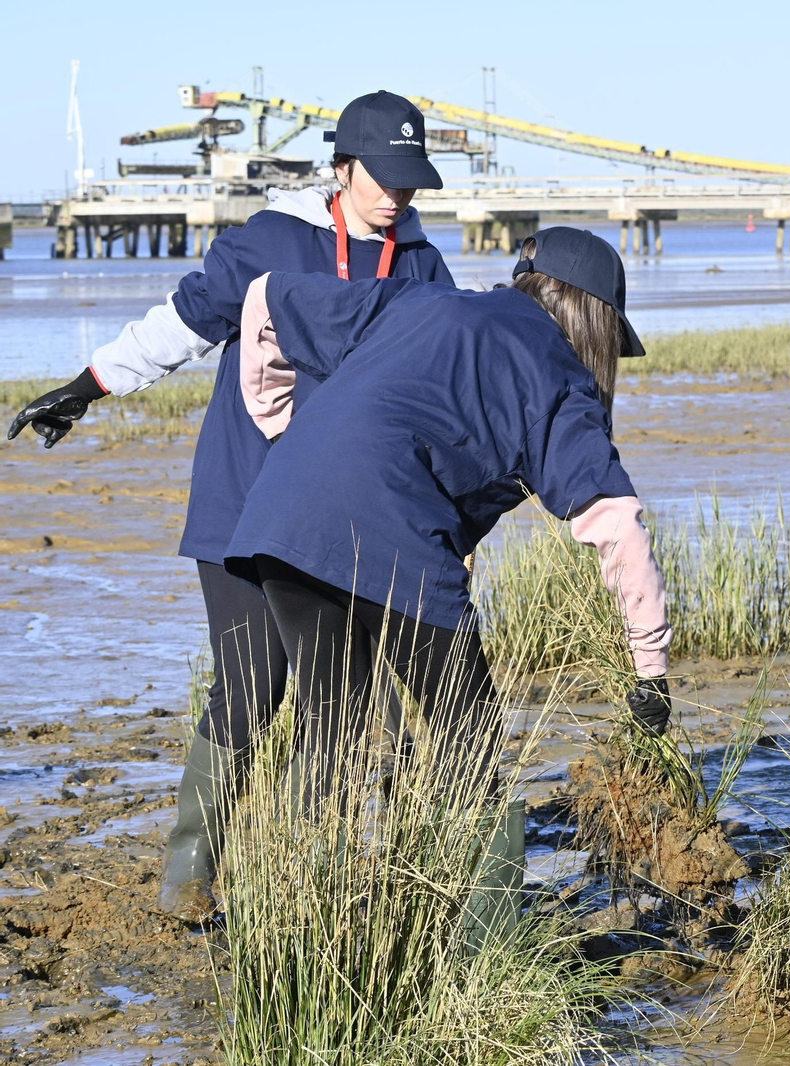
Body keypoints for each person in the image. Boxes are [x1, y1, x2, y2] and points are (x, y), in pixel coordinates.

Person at [5, 90, 453, 923]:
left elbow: (439, 390)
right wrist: (88, 385)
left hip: (348, 521)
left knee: (342, 698)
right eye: (383, 176)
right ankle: (188, 877)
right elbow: (183, 322)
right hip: (244, 505)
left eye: (411, 179)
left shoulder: (423, 264)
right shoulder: (276, 239)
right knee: (251, 685)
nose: (398, 194)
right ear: (343, 167)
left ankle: (308, 880)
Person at [227, 227, 673, 937]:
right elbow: (618, 525)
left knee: (332, 729)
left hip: (280, 514)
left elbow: (266, 300)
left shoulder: (420, 303)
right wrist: (651, 672)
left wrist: (278, 427)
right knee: (468, 737)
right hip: (394, 532)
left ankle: (292, 927)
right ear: (593, 320)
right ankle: (483, 940)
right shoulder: (559, 378)